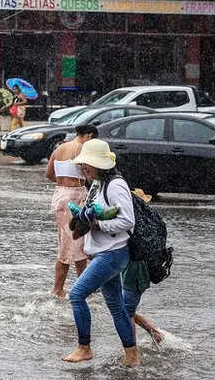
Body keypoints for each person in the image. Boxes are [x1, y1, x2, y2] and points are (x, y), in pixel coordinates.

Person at [62, 139, 140, 367]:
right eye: (83, 164)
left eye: (87, 164)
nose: (83, 168)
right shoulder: (97, 183)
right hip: (104, 252)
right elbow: (91, 216)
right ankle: (132, 356)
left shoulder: (115, 185)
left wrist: (98, 226)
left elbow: (127, 220)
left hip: (114, 253)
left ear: (100, 165)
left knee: (76, 295)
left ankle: (84, 348)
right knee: (117, 306)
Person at [44, 124, 97, 298]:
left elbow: (49, 174)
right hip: (74, 198)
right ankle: (61, 289)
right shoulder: (81, 149)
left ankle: (81, 285)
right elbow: (90, 174)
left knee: (72, 244)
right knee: (72, 245)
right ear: (89, 136)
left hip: (59, 195)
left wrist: (63, 180)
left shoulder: (60, 148)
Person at [121, 190, 166, 346]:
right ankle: (154, 333)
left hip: (136, 272)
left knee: (126, 311)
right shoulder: (147, 226)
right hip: (136, 272)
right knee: (127, 309)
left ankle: (131, 349)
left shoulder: (136, 227)